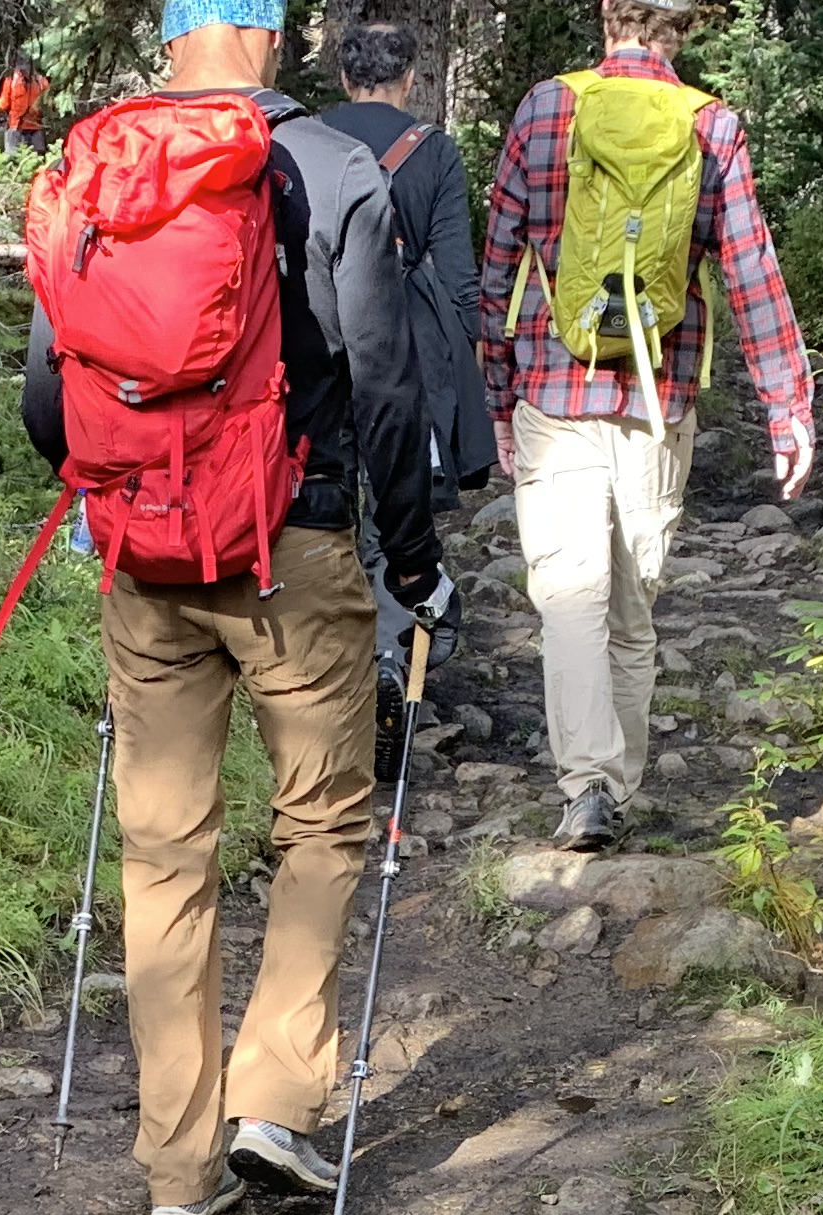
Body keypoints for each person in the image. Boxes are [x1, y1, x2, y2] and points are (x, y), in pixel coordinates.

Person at [17, 0, 453, 1215]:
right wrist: (412, 562)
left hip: (144, 561)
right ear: (270, 36)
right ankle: (275, 1099)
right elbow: (381, 380)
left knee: (165, 853)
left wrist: (128, 480)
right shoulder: (330, 162)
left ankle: (174, 1172)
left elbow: (49, 401)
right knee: (321, 816)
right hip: (290, 548)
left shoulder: (97, 161)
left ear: (172, 38)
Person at [477, 0, 814, 851]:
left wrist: (496, 394)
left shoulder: (545, 108)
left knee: (569, 597)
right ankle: (613, 791)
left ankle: (583, 785)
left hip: (555, 396)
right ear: (685, 30)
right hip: (659, 403)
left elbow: (498, 269)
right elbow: (750, 269)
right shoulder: (711, 125)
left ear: (607, 19)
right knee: (631, 607)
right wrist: (788, 406)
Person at [313, 19, 497, 786]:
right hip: (407, 348)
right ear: (410, 78)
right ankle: (389, 651)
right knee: (399, 498)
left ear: (341, 74)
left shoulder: (306, 139)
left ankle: (330, 675)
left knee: (329, 501)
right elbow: (458, 274)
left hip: (321, 343)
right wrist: (469, 366)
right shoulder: (436, 152)